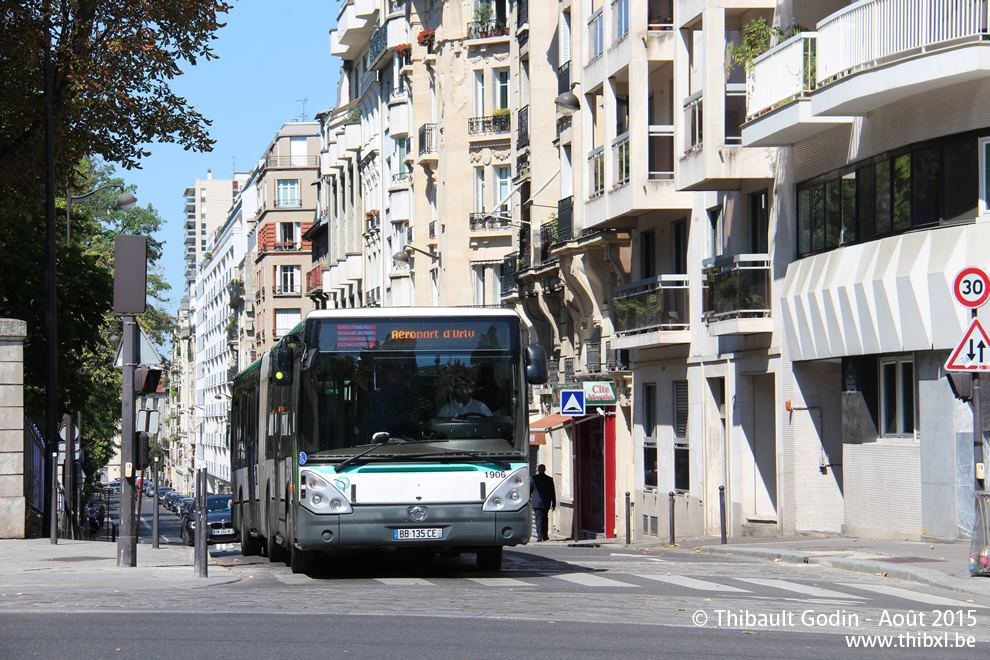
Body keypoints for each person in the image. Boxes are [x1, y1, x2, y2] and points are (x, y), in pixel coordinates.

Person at [530, 464, 556, 542]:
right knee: (545, 518)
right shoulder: (549, 479)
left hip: (537, 503)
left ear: (538, 470)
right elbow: (552, 492)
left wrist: (527, 500)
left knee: (539, 519)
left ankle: (540, 536)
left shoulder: (534, 479)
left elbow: (529, 490)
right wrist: (554, 502)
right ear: (545, 470)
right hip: (546, 502)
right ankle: (545, 536)